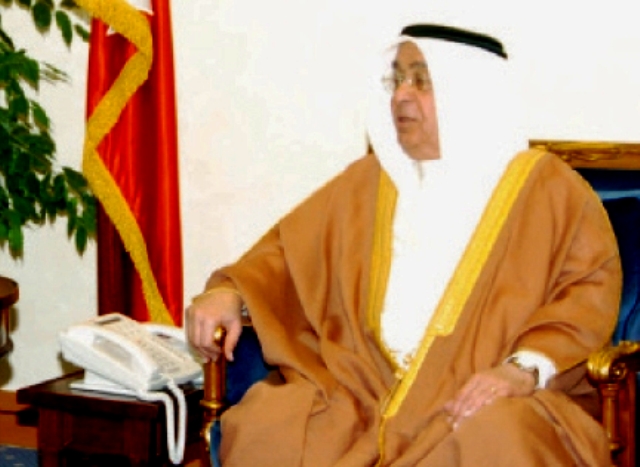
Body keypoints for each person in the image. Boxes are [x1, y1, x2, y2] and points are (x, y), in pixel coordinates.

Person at [187, 23, 622, 466]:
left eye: (421, 80)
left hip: (481, 400)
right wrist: (230, 292)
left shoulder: (548, 189)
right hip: (362, 394)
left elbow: (586, 297)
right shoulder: (369, 183)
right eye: (396, 80)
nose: (400, 96)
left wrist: (523, 370)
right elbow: (286, 255)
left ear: (470, 92)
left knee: (502, 437)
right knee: (269, 423)